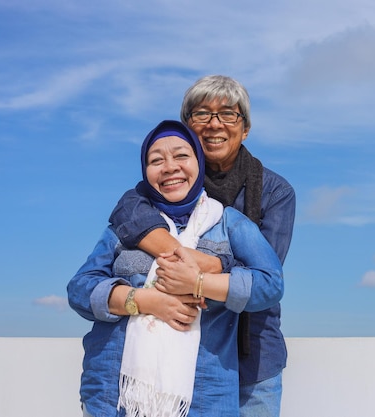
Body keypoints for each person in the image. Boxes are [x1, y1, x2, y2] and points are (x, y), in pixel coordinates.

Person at [67, 120, 284, 417]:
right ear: (146, 172)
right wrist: (142, 301)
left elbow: (270, 284)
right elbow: (80, 288)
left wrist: (197, 282)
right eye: (156, 160)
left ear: (199, 162)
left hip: (205, 400)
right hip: (113, 397)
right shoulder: (124, 228)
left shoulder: (230, 223)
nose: (170, 167)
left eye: (182, 156)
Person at [109, 75, 296, 417]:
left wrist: (205, 270)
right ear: (186, 127)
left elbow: (265, 276)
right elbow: (126, 211)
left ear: (246, 128)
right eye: (201, 115)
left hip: (253, 355)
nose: (214, 125)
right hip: (181, 350)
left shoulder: (275, 192)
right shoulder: (164, 183)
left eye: (228, 114)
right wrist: (189, 261)